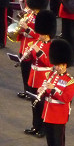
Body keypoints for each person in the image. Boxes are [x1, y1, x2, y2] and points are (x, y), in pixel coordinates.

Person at [39, 39, 74, 146]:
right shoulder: (50, 75)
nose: (58, 67)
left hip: (59, 115)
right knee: (50, 141)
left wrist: (52, 90)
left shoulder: (70, 81)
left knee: (58, 142)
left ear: (65, 65)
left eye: (61, 65)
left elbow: (66, 98)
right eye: (57, 65)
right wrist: (42, 90)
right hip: (48, 112)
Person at [24, 10, 56, 138]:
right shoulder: (37, 43)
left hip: (43, 77)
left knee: (42, 105)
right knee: (34, 103)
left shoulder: (52, 46)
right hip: (33, 76)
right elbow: (30, 60)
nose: (39, 36)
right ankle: (35, 125)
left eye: (42, 34)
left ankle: (43, 128)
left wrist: (37, 52)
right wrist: (27, 54)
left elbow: (49, 62)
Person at [16, 0, 49, 100]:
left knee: (31, 71)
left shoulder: (42, 16)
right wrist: (19, 30)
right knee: (24, 70)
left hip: (34, 46)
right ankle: (26, 90)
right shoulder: (29, 14)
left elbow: (40, 34)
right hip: (24, 45)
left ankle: (31, 91)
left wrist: (26, 28)